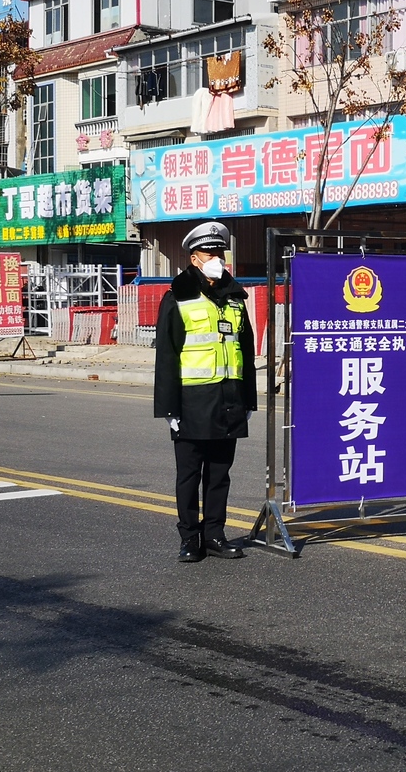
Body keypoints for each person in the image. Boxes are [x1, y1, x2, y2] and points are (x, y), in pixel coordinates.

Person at [154, 221, 257, 561]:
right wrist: (170, 409)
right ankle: (189, 539)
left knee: (219, 475)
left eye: (220, 253)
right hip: (191, 403)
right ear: (194, 258)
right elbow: (166, 357)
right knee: (189, 476)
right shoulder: (178, 298)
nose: (217, 258)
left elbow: (245, 351)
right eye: (210, 253)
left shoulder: (235, 299)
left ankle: (214, 535)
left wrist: (248, 401)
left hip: (228, 401)